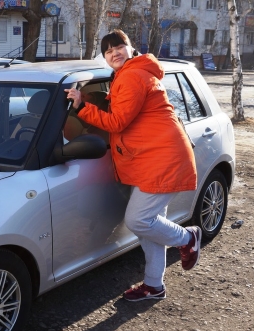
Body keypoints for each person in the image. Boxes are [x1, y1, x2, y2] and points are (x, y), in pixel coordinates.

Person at [65, 29, 201, 302]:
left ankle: (188, 238)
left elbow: (117, 122)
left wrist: (81, 107)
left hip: (162, 159)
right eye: (107, 50)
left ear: (130, 48)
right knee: (149, 226)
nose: (114, 53)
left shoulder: (132, 76)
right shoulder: (128, 75)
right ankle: (154, 285)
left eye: (119, 47)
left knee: (139, 220)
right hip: (152, 157)